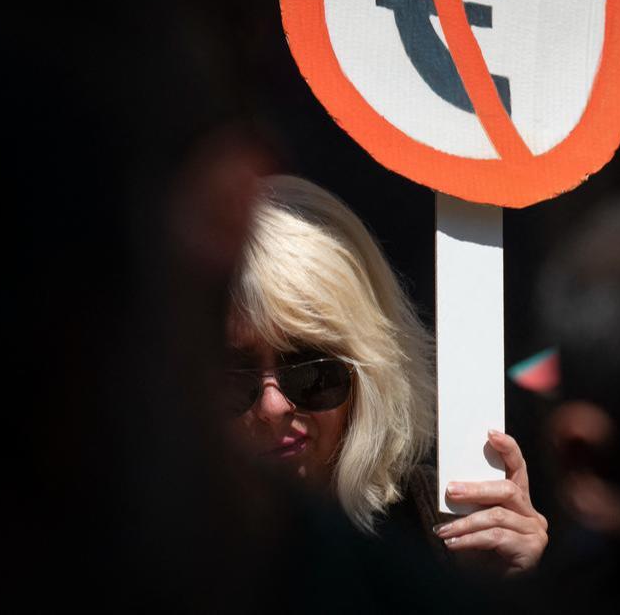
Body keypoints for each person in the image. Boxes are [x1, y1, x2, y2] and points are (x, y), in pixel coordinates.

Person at [224, 175, 549, 574]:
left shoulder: (441, 534)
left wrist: (500, 592)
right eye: (233, 380)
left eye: (313, 373)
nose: (273, 406)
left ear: (369, 371)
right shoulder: (146, 557)